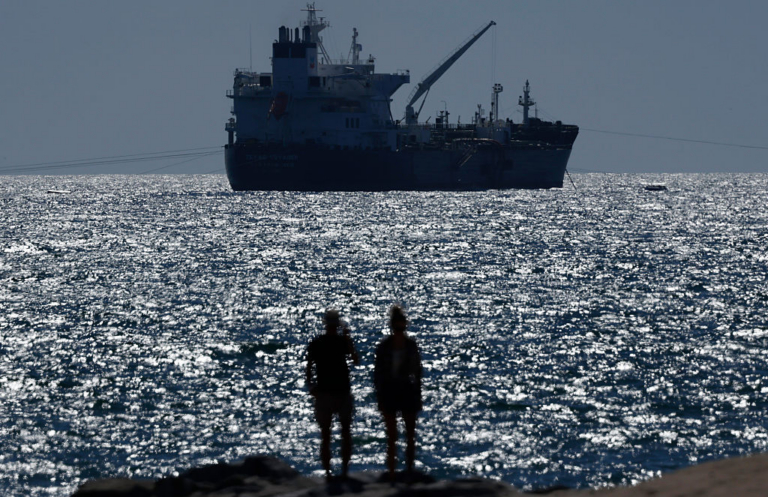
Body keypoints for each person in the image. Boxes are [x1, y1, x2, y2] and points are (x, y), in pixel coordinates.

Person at [305, 309, 359, 480]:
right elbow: (356, 360)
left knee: (330, 434)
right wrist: (311, 386)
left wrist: (311, 386)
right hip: (334, 392)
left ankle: (334, 471)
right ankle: (338, 471)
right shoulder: (331, 342)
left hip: (333, 392)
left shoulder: (324, 342)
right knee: (338, 434)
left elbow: (309, 367)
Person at [374, 305, 422, 480]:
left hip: (407, 391)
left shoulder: (410, 345)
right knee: (392, 436)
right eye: (398, 327)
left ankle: (408, 470)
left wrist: (417, 393)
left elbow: (417, 371)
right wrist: (380, 395)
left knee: (409, 435)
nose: (400, 330)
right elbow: (378, 373)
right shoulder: (385, 347)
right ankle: (393, 472)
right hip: (390, 391)